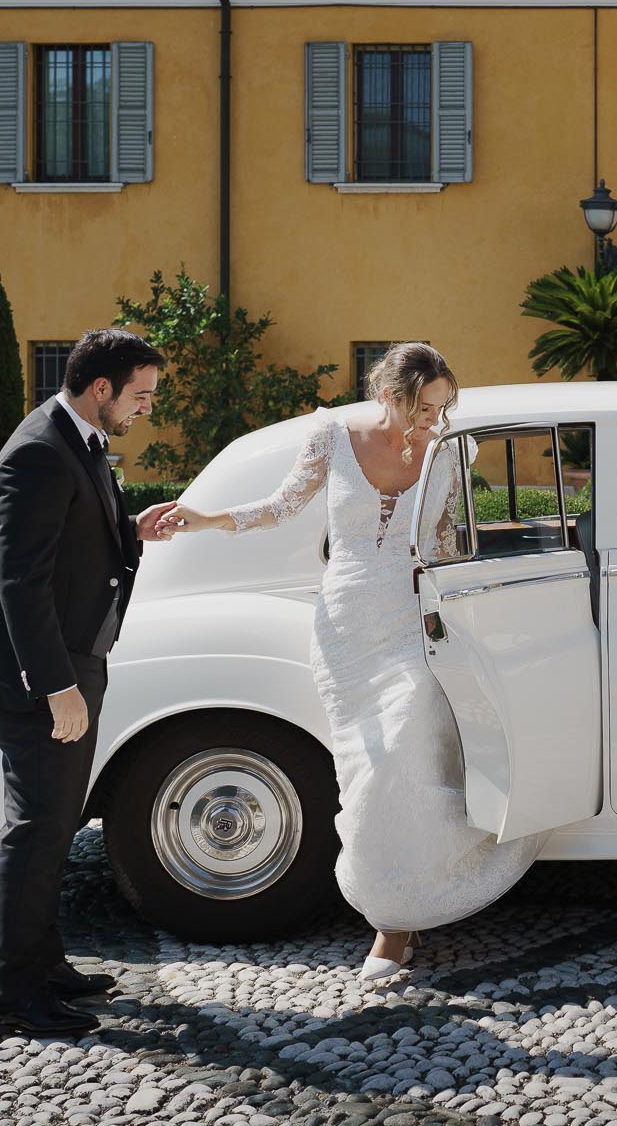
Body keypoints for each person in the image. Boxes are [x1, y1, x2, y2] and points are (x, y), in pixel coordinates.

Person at [165, 343, 543, 984]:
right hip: (345, 625)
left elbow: (450, 538)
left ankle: (393, 920)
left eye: (443, 407)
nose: (434, 421)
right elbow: (282, 508)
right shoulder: (332, 436)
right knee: (364, 771)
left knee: (402, 753)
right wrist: (202, 519)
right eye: (425, 408)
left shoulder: (451, 448)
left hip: (413, 623)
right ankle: (394, 913)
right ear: (391, 396)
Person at [0, 327, 180, 1037]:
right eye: (141, 394)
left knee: (55, 827)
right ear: (102, 389)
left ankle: (44, 966)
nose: (146, 408)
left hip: (71, 659)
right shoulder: (36, 452)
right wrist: (56, 686)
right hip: (38, 673)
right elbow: (22, 583)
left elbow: (75, 538)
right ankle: (13, 1000)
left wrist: (131, 528)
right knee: (33, 829)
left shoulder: (72, 439)